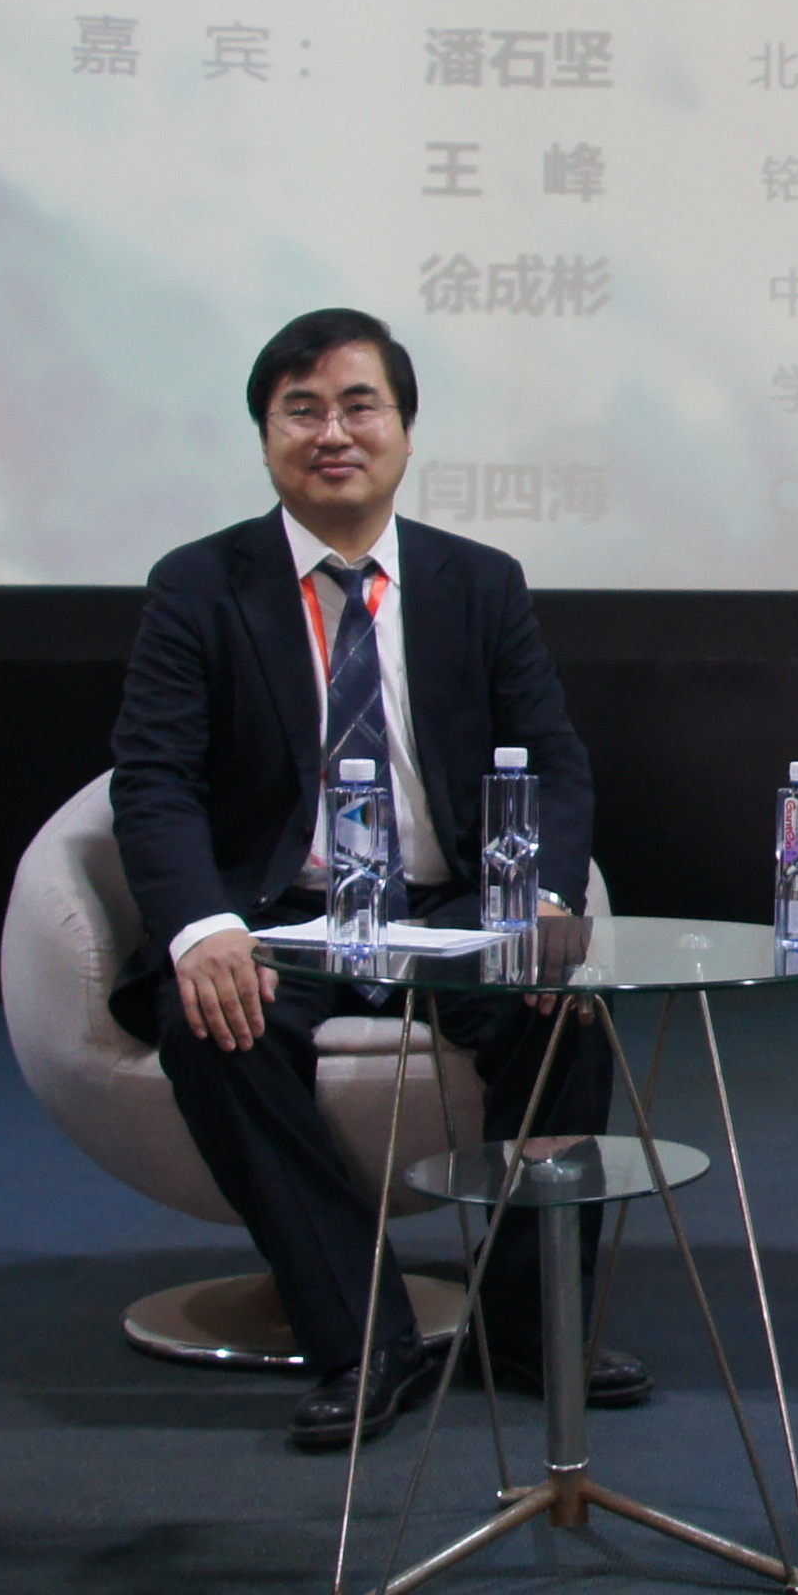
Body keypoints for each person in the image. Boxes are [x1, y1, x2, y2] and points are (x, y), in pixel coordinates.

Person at [109, 308, 630, 1453]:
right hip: (278, 914)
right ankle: (362, 1335)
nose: (331, 432)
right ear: (265, 437)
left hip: (446, 902)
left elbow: (553, 758)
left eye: (358, 405)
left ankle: (525, 1327)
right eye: (300, 410)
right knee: (212, 1027)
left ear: (404, 429)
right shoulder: (199, 585)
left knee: (561, 1015)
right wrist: (200, 926)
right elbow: (152, 780)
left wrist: (546, 903)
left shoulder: (475, 581)